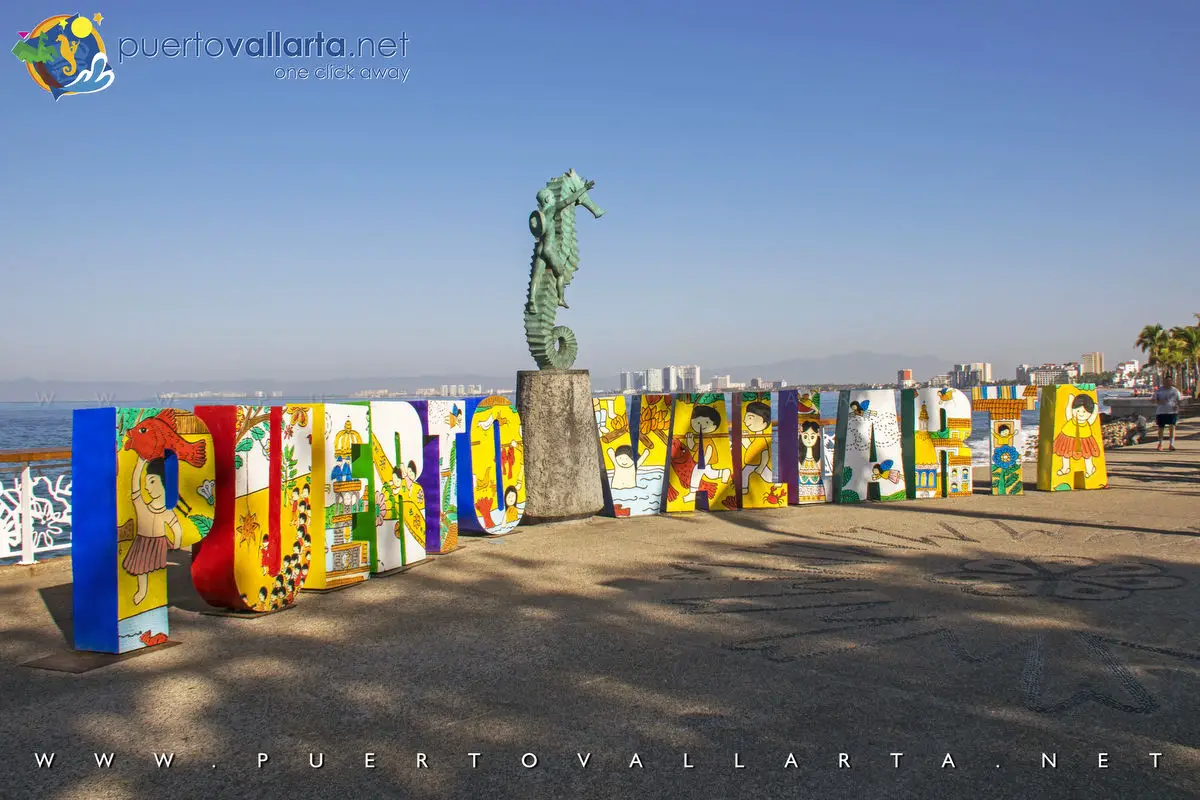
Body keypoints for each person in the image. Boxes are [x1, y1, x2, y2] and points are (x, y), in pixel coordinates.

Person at [1153, 376, 1182, 451]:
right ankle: (1160, 444)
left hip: (1172, 412)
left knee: (1172, 427)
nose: (1167, 382)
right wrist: (1159, 402)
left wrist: (1177, 407)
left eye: (1169, 381)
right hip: (1161, 412)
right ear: (1164, 382)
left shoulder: (1175, 391)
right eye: (1166, 381)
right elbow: (1153, 400)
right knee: (1160, 428)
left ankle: (1171, 444)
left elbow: (1179, 400)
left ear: (1172, 382)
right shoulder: (1159, 390)